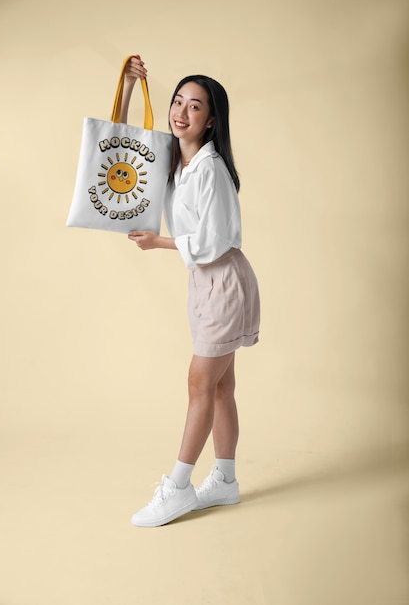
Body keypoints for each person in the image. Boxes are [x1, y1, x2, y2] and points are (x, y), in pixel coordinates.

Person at [120, 55, 260, 527]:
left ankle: (178, 488)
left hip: (222, 278)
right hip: (204, 282)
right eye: (177, 101)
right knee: (221, 386)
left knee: (201, 382)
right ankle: (225, 481)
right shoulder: (174, 158)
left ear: (211, 119)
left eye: (194, 106)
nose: (181, 112)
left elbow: (215, 239)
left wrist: (159, 241)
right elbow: (118, 143)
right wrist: (128, 85)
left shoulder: (211, 169)